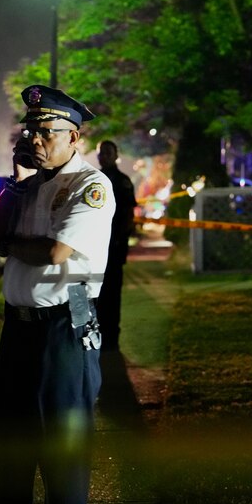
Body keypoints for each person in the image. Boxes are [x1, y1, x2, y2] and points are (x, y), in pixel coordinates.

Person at [0, 84, 115, 504]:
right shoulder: (26, 184)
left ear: (74, 137)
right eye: (29, 132)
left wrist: (9, 244)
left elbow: (54, 253)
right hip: (17, 325)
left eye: (47, 132)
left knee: (62, 457)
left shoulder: (90, 185)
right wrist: (15, 187)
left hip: (66, 322)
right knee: (12, 452)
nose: (35, 140)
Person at [95, 140, 137, 352]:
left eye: (108, 152)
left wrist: (120, 239)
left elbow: (129, 214)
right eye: (101, 153)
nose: (103, 156)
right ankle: (96, 335)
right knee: (95, 294)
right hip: (95, 248)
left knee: (112, 294)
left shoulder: (122, 181)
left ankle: (111, 337)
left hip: (114, 247)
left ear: (116, 155)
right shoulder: (94, 179)